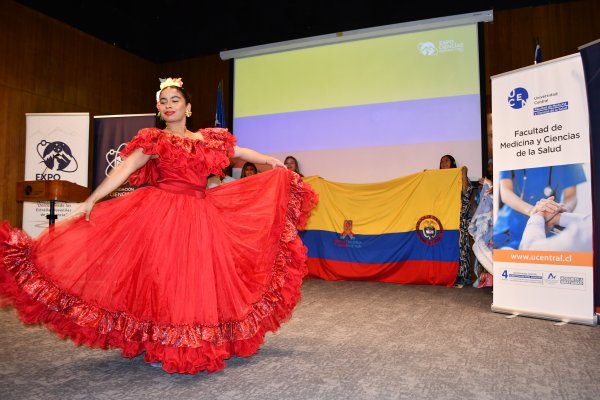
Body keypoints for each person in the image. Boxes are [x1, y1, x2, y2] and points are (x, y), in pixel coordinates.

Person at [0, 77, 318, 375]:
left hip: (200, 215)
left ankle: (193, 340)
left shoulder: (208, 140)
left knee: (196, 279)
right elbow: (124, 168)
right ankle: (163, 341)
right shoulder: (154, 140)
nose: (168, 105)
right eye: (163, 101)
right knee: (164, 279)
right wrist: (92, 199)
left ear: (188, 107)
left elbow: (238, 151)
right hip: (162, 215)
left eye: (175, 100)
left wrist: (269, 161)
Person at [493, 163, 586, 250]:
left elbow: (571, 196)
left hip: (549, 226)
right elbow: (505, 192)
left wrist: (561, 209)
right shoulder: (510, 155)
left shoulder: (569, 157)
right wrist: (533, 210)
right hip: (510, 227)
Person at [439, 154, 473, 287]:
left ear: (452, 163)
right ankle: (445, 275)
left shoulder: (460, 177)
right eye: (441, 162)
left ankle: (461, 277)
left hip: (458, 221)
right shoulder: (439, 180)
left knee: (460, 248)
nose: (444, 163)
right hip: (443, 222)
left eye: (446, 161)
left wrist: (463, 174)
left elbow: (466, 193)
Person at [519, 196, 592, 252]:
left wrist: (537, 215)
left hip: (537, 236)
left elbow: (530, 252)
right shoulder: (588, 228)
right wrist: (557, 215)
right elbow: (589, 222)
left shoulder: (583, 236)